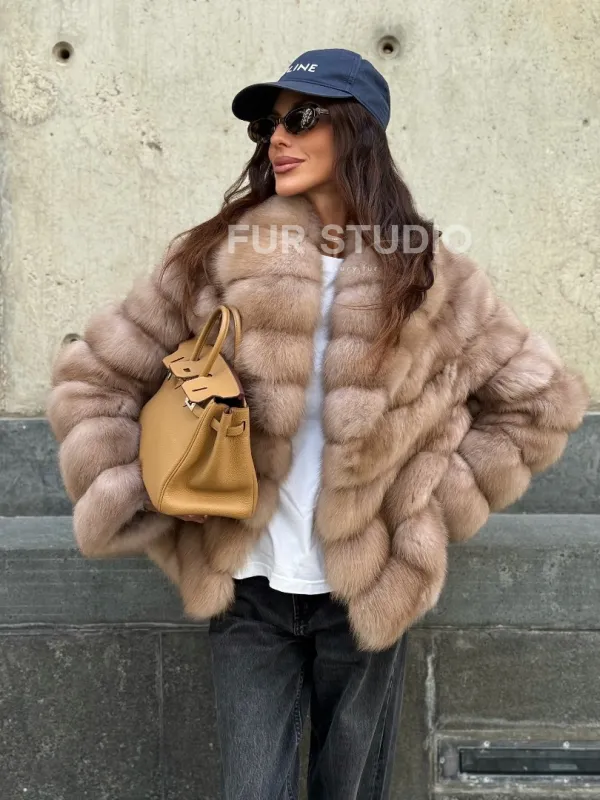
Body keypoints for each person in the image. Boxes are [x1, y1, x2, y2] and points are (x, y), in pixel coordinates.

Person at [46, 48, 588, 799]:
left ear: (357, 131)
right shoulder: (217, 259)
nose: (278, 137)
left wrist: (426, 506)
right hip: (249, 588)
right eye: (267, 125)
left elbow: (541, 403)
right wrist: (146, 488)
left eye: (301, 117)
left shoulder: (429, 277)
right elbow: (93, 381)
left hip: (366, 591)